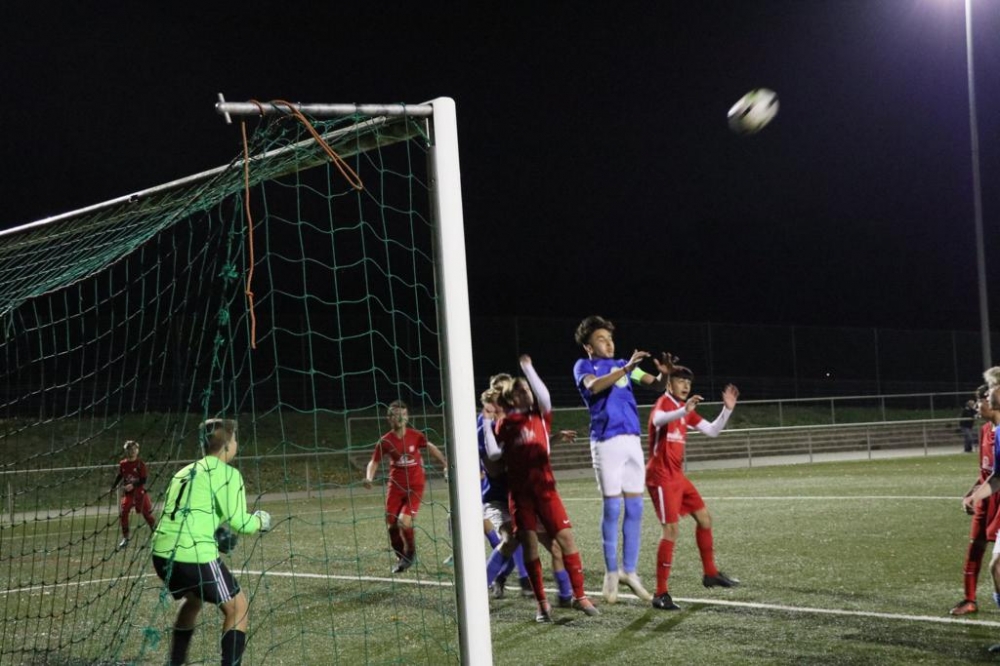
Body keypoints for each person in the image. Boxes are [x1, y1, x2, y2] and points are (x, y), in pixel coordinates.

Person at [483, 354, 598, 621]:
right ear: (512, 399)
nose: (528, 392)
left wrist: (528, 369)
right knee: (531, 547)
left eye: (528, 389)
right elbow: (495, 454)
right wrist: (488, 424)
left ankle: (579, 596)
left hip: (546, 491)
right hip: (520, 496)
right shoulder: (504, 424)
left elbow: (544, 397)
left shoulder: (540, 416)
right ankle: (542, 604)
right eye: (521, 391)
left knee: (566, 539)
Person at [151, 418, 272, 666]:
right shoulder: (227, 474)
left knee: (193, 599)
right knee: (237, 608)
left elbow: (182, 512)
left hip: (161, 554)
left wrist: (214, 532)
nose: (236, 444)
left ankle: (175, 662)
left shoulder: (184, 472)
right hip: (192, 554)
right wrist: (261, 520)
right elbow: (241, 523)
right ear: (228, 445)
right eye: (235, 439)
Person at [573, 315, 670, 603]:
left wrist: (665, 375)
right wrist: (625, 368)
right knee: (613, 508)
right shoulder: (584, 366)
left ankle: (629, 571)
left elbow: (655, 385)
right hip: (606, 442)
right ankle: (611, 571)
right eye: (601, 339)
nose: (608, 343)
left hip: (631, 440)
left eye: (610, 338)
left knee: (636, 507)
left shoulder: (623, 366)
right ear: (589, 346)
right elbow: (594, 387)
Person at [646, 363, 740, 611]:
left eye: (688, 382)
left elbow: (712, 431)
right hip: (660, 476)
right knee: (670, 531)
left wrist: (727, 409)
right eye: (680, 381)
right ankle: (660, 593)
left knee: (705, 519)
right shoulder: (664, 404)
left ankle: (710, 573)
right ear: (669, 384)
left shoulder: (683, 409)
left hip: (677, 476)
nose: (686, 386)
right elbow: (657, 419)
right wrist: (683, 410)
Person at [364, 400, 448, 574]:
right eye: (396, 415)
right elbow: (374, 461)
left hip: (415, 486)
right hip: (395, 487)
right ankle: (401, 556)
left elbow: (430, 446)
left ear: (407, 417)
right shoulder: (385, 441)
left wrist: (445, 463)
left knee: (404, 522)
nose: (400, 418)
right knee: (391, 525)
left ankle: (410, 553)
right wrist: (369, 478)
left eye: (403, 414)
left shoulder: (415, 436)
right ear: (389, 418)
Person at [950, 384, 1000, 616]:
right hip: (988, 493)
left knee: (997, 566)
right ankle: (970, 599)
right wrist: (973, 493)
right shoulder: (986, 431)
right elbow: (988, 472)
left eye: (981, 399)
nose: (978, 405)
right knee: (979, 549)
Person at [111, 440, 157, 550]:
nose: (132, 451)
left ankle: (156, 532)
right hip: (129, 494)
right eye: (129, 449)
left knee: (147, 514)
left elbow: (143, 480)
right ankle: (125, 538)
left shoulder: (140, 464)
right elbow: (120, 475)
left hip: (140, 493)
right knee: (124, 512)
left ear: (138, 450)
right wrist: (113, 486)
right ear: (126, 451)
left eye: (134, 449)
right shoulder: (123, 463)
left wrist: (133, 485)